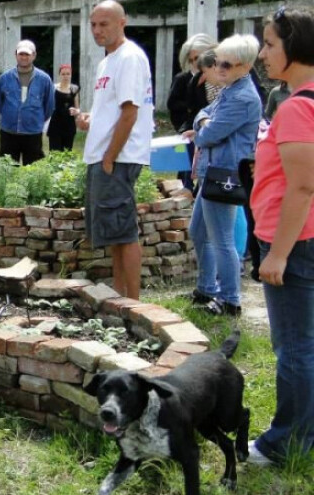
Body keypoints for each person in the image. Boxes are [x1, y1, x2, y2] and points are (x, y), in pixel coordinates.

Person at [248, 5, 314, 466]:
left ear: (296, 47)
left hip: (295, 243)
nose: (263, 53)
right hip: (304, 239)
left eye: (271, 44)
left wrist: (279, 255)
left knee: (294, 347)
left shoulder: (296, 107)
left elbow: (304, 185)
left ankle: (286, 442)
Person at [76, 0, 153, 301]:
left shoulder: (130, 57)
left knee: (123, 232)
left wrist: (109, 157)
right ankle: (120, 299)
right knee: (114, 234)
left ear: (122, 23)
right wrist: (89, 121)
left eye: (104, 24)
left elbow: (130, 112)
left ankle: (133, 304)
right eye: (93, 24)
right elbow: (110, 110)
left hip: (118, 157)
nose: (97, 30)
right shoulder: (107, 62)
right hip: (103, 156)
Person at [183, 34, 262, 316]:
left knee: (222, 239)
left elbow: (208, 134)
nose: (219, 69)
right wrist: (204, 122)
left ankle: (230, 300)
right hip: (213, 170)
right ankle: (206, 289)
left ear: (245, 65)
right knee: (199, 230)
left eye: (226, 65)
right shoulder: (231, 89)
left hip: (225, 173)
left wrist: (203, 125)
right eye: (217, 63)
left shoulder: (241, 96)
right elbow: (203, 115)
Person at [169, 33, 217, 190]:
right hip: (192, 124)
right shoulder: (185, 78)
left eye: (198, 58)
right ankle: (187, 186)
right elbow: (177, 103)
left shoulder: (219, 76)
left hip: (212, 125)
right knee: (186, 151)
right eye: (192, 60)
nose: (195, 63)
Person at [0, 39, 55, 165]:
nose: (23, 57)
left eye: (27, 54)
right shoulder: (4, 78)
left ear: (34, 55)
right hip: (8, 132)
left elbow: (49, 106)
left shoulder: (44, 79)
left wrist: (35, 120)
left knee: (32, 172)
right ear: (16, 55)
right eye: (21, 54)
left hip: (32, 133)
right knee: (7, 170)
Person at [46, 64, 80, 152]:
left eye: (68, 74)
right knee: (54, 153)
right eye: (63, 74)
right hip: (55, 124)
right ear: (59, 75)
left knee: (67, 153)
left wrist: (76, 111)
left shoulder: (74, 89)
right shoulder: (53, 88)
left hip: (69, 124)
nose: (66, 76)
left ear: (71, 75)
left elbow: (78, 108)